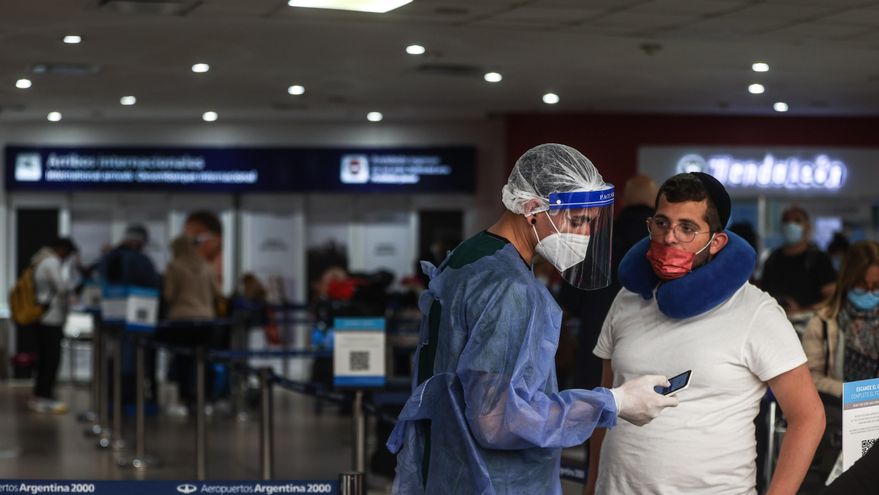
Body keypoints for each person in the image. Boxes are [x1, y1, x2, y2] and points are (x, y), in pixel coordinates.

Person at [386, 143, 678, 494]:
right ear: (531, 208)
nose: (584, 236)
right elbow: (497, 420)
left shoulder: (470, 258)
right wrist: (614, 402)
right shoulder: (511, 287)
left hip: (446, 471)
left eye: (591, 223)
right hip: (491, 480)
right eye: (577, 220)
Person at [587, 172, 826, 495]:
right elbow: (606, 402)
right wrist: (591, 486)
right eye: (661, 223)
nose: (669, 237)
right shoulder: (627, 299)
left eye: (687, 228)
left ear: (717, 242)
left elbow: (808, 417)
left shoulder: (756, 311)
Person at [801, 241, 879, 487]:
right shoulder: (823, 323)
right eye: (862, 285)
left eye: (876, 286)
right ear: (848, 281)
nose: (869, 292)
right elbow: (809, 377)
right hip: (839, 410)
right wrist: (852, 394)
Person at [162, 235, 223, 416]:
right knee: (205, 361)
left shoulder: (174, 266)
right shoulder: (207, 266)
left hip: (182, 319)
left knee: (183, 362)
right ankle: (205, 400)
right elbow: (217, 293)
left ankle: (184, 400)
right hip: (206, 319)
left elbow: (170, 294)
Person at [28, 237, 79, 414]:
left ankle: (41, 395)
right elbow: (62, 288)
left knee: (45, 359)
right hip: (50, 318)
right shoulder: (51, 261)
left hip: (44, 317)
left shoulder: (41, 260)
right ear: (62, 249)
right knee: (50, 359)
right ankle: (44, 396)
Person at [761, 206, 836, 315]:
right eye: (786, 221)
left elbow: (831, 298)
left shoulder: (819, 259)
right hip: (775, 321)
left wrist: (801, 311)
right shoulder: (772, 259)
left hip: (808, 323)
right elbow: (763, 293)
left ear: (807, 227)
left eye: (797, 221)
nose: (791, 225)